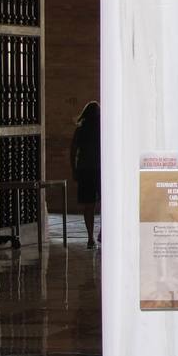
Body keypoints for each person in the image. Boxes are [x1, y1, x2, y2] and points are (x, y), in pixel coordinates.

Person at [70, 101, 101, 248]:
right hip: (100, 170)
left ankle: (90, 237)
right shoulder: (103, 129)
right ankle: (102, 231)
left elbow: (73, 151)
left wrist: (74, 169)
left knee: (88, 206)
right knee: (105, 203)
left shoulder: (81, 130)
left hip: (84, 169)